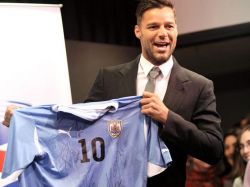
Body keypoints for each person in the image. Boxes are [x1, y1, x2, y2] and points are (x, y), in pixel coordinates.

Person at [2, 0, 224, 186]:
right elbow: (78, 130)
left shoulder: (199, 86)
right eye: (154, 27)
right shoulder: (108, 78)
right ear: (138, 31)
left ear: (176, 29)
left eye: (169, 26)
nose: (163, 34)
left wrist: (168, 117)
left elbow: (213, 149)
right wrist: (28, 121)